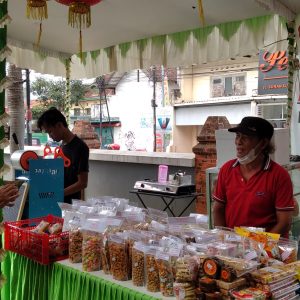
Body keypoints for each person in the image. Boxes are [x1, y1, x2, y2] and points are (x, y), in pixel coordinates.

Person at [212, 116, 294, 237]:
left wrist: (260, 246)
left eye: (245, 137)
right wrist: (223, 239)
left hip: (267, 250)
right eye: (238, 136)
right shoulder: (227, 169)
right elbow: (218, 209)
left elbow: (284, 222)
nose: (238, 142)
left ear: (263, 143)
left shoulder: (279, 175)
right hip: (234, 247)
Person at [37, 107, 89, 204]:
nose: (50, 136)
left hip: (71, 205)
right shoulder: (62, 146)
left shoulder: (80, 147)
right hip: (58, 202)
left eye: (50, 131)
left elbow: (82, 183)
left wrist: (58, 194)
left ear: (59, 125)